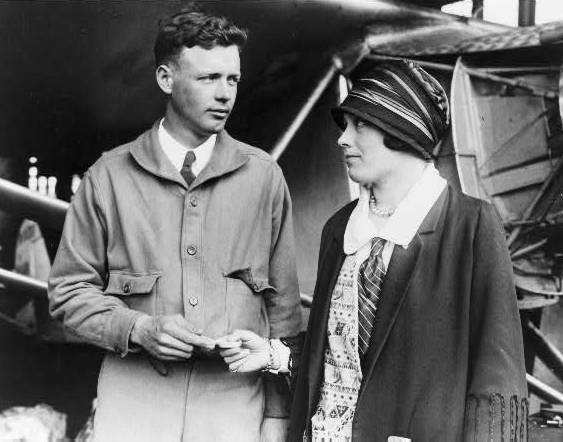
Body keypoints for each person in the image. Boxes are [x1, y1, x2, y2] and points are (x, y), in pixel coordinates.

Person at [224, 61, 528, 441]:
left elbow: (497, 380)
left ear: (402, 130)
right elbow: (342, 354)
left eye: (360, 124)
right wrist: (273, 354)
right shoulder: (340, 230)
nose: (343, 139)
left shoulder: (471, 226)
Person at [48, 9, 301, 442]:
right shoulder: (108, 177)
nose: (224, 94)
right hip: (133, 410)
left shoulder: (264, 178)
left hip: (234, 413)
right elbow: (68, 293)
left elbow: (284, 311)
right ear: (166, 79)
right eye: (208, 79)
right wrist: (139, 329)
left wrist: (277, 416)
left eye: (233, 80)